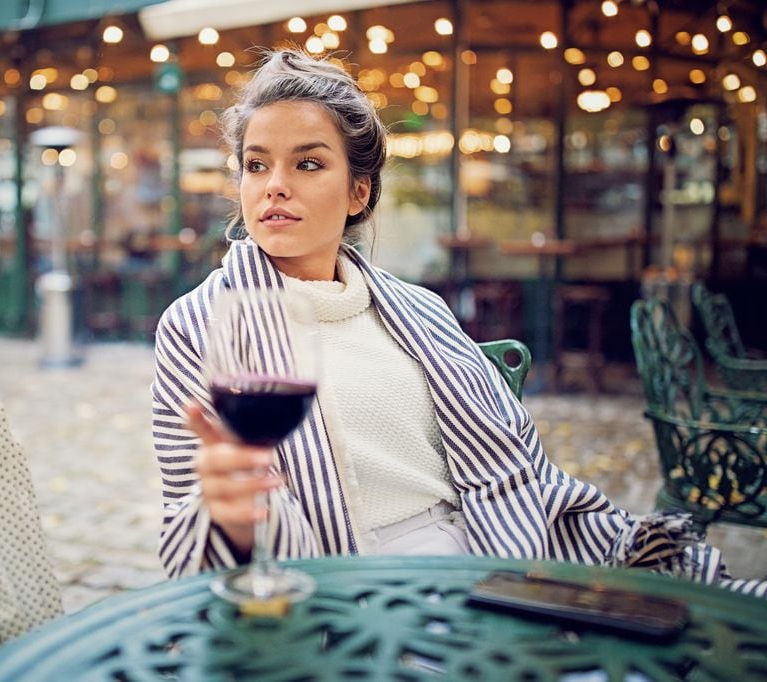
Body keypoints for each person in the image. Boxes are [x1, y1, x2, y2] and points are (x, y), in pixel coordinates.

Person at [151, 48, 764, 596]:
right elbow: (190, 527)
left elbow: (520, 470)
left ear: (359, 192)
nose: (274, 186)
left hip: (490, 562)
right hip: (342, 586)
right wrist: (229, 511)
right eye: (256, 166)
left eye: (308, 164)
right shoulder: (201, 323)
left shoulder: (419, 310)